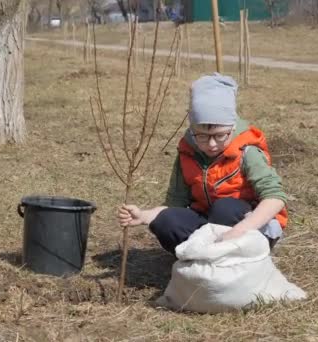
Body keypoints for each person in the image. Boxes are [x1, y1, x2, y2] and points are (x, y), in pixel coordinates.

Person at [118, 73, 288, 255]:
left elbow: (275, 198)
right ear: (192, 130)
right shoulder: (188, 152)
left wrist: (240, 230)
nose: (212, 144)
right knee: (166, 220)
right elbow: (174, 204)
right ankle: (202, 259)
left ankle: (236, 258)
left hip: (249, 223)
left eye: (220, 135)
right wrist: (143, 216)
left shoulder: (248, 151)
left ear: (232, 127)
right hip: (209, 220)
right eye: (202, 136)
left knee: (225, 209)